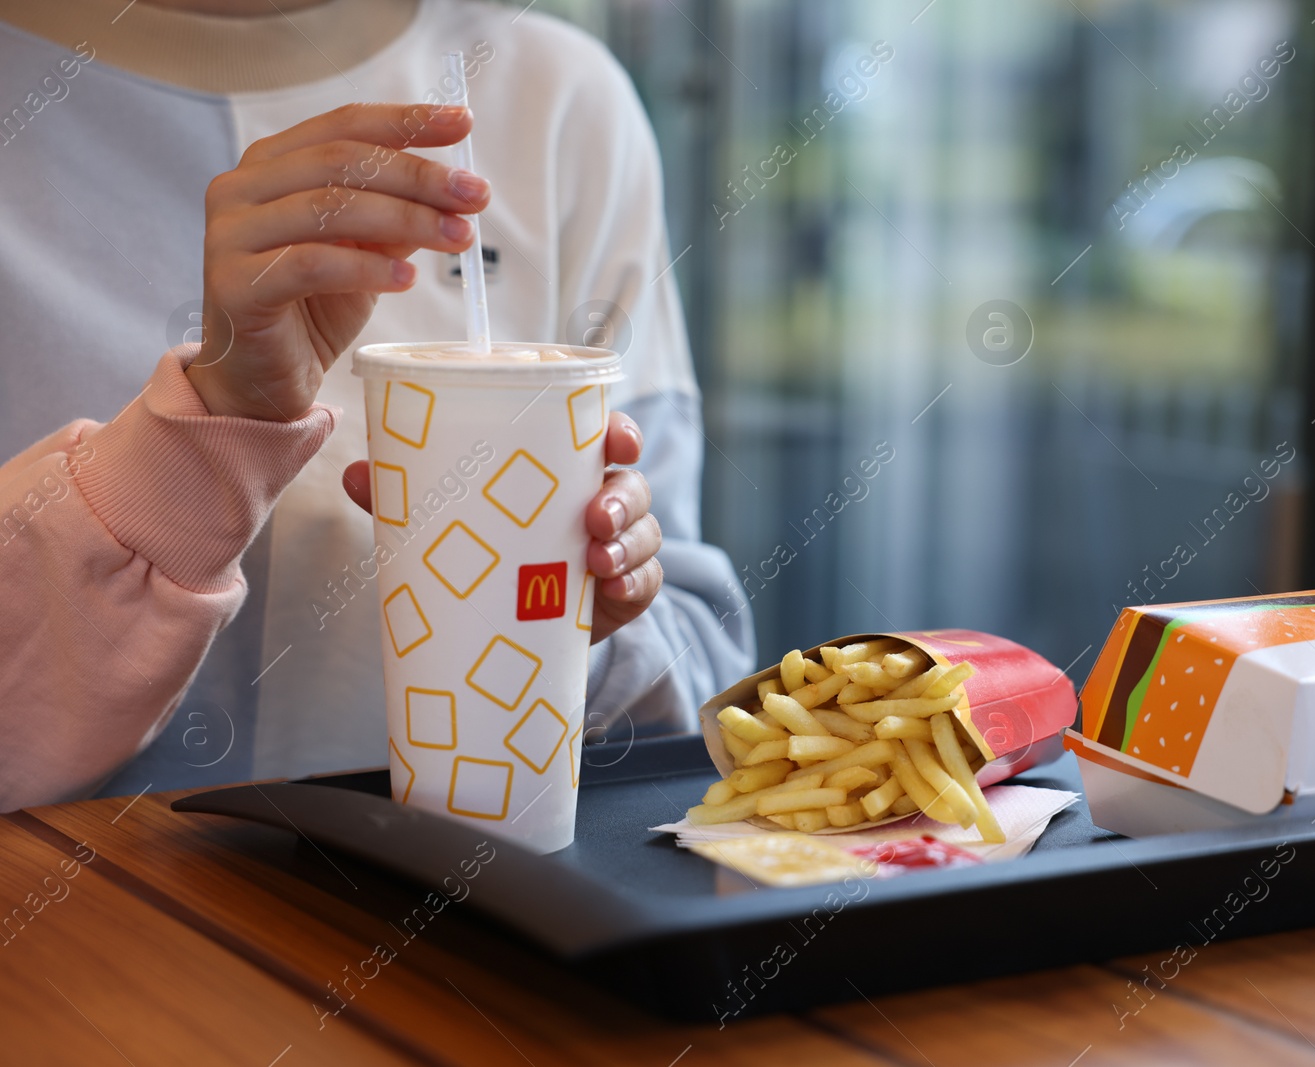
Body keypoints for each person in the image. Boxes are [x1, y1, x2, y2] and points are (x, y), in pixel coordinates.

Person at [0, 0, 752, 810]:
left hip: (476, 917)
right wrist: (213, 425)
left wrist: (560, 624)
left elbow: (703, 688)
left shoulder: (559, 99)